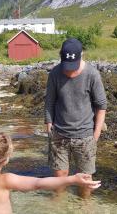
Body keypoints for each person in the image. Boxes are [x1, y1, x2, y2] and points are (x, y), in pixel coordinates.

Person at [45, 38, 107, 198]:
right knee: (60, 177)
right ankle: (58, 207)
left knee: (85, 180)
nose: (69, 72)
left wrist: (96, 135)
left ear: (81, 56)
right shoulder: (55, 73)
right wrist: (49, 124)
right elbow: (50, 101)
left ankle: (84, 207)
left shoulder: (92, 74)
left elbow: (101, 106)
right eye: (67, 67)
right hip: (59, 134)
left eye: (73, 68)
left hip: (85, 136)